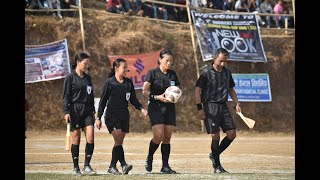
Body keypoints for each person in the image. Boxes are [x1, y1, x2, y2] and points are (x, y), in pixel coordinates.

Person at [95, 58, 148, 175]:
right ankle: (123, 164)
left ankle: (112, 166)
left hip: (124, 114)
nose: (126, 70)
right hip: (112, 114)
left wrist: (141, 108)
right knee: (118, 137)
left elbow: (133, 99)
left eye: (126, 68)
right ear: (116, 68)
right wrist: (98, 117)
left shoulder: (128, 83)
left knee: (119, 142)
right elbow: (103, 101)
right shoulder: (109, 82)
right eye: (124, 67)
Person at [194, 48, 241, 173]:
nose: (222, 64)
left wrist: (236, 103)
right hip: (210, 106)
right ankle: (217, 167)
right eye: (220, 61)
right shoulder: (205, 73)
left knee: (232, 134)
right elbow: (197, 90)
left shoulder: (227, 73)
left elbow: (231, 89)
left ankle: (214, 155)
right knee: (216, 136)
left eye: (225, 61)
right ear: (214, 58)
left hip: (223, 106)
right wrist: (199, 108)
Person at [142, 48, 180, 174]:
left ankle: (165, 166)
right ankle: (150, 156)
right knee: (158, 136)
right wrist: (157, 97)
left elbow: (177, 90)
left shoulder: (173, 74)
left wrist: (174, 96)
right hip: (155, 107)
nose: (169, 63)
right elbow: (145, 90)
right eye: (167, 60)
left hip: (169, 108)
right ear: (160, 59)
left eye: (171, 61)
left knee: (167, 137)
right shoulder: (152, 73)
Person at [62, 52, 97, 176]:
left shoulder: (88, 78)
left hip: (87, 110)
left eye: (88, 64)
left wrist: (93, 111)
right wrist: (66, 111)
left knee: (91, 137)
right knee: (76, 138)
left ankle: (87, 165)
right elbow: (66, 96)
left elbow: (91, 95)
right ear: (78, 62)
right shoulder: (70, 78)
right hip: (75, 111)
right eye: (85, 63)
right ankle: (76, 167)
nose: (87, 66)